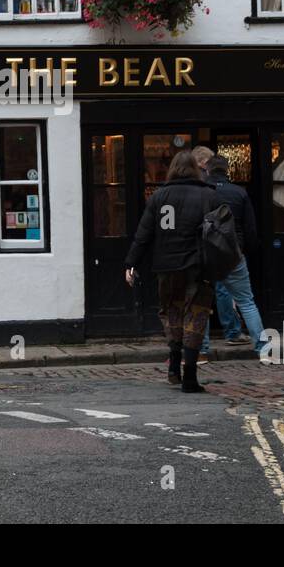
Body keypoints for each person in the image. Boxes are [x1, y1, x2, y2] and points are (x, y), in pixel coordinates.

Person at [124, 150, 218, 393]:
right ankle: (190, 376)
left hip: (166, 267)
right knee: (196, 315)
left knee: (172, 312)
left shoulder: (159, 196)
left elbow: (143, 234)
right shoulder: (208, 195)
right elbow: (220, 234)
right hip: (197, 266)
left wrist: (131, 263)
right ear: (195, 169)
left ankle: (174, 365)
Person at [205, 154, 269, 353]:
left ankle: (202, 349)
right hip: (233, 252)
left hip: (207, 252)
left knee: (201, 303)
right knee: (247, 302)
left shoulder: (202, 192)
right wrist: (245, 250)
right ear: (227, 170)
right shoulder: (239, 192)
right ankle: (262, 348)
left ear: (207, 170)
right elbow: (250, 228)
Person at [190, 146, 245, 358]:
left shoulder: (198, 185)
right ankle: (231, 331)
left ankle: (202, 344)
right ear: (204, 162)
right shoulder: (210, 187)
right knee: (223, 290)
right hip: (219, 243)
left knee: (202, 294)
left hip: (202, 245)